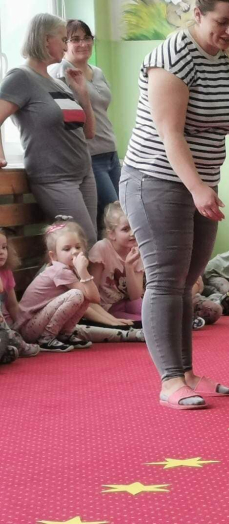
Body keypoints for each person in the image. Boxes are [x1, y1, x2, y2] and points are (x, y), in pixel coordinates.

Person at [120, 0, 229, 410]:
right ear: (197, 13)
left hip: (200, 185)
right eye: (221, 22)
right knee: (166, 280)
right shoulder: (173, 55)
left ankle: (187, 373)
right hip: (155, 180)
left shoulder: (228, 61)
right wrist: (197, 187)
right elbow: (169, 133)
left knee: (188, 280)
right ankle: (170, 380)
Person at [0, 13, 98, 245]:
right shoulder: (21, 77)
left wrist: (82, 94)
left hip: (84, 173)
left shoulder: (57, 82)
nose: (66, 46)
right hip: (55, 179)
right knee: (86, 242)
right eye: (63, 40)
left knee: (90, 242)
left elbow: (88, 132)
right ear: (46, 40)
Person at [49, 20, 120, 233]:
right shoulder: (60, 72)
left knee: (122, 213)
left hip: (111, 153)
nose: (83, 44)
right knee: (113, 217)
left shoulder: (97, 72)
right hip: (89, 155)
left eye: (87, 38)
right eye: (75, 39)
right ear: (65, 44)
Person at [15, 220, 97, 352]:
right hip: (27, 329)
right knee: (77, 294)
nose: (74, 252)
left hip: (38, 323)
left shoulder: (70, 268)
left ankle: (65, 335)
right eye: (67, 249)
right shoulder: (60, 270)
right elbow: (94, 297)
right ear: (53, 256)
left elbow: (92, 297)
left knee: (83, 294)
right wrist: (83, 272)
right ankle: (46, 339)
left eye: (77, 247)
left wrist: (82, 272)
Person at [0, 231, 40, 359]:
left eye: (4, 247)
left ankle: (9, 345)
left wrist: (20, 326)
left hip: (7, 326)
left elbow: (12, 304)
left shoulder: (6, 272)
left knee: (9, 347)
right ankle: (14, 343)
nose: (1, 252)